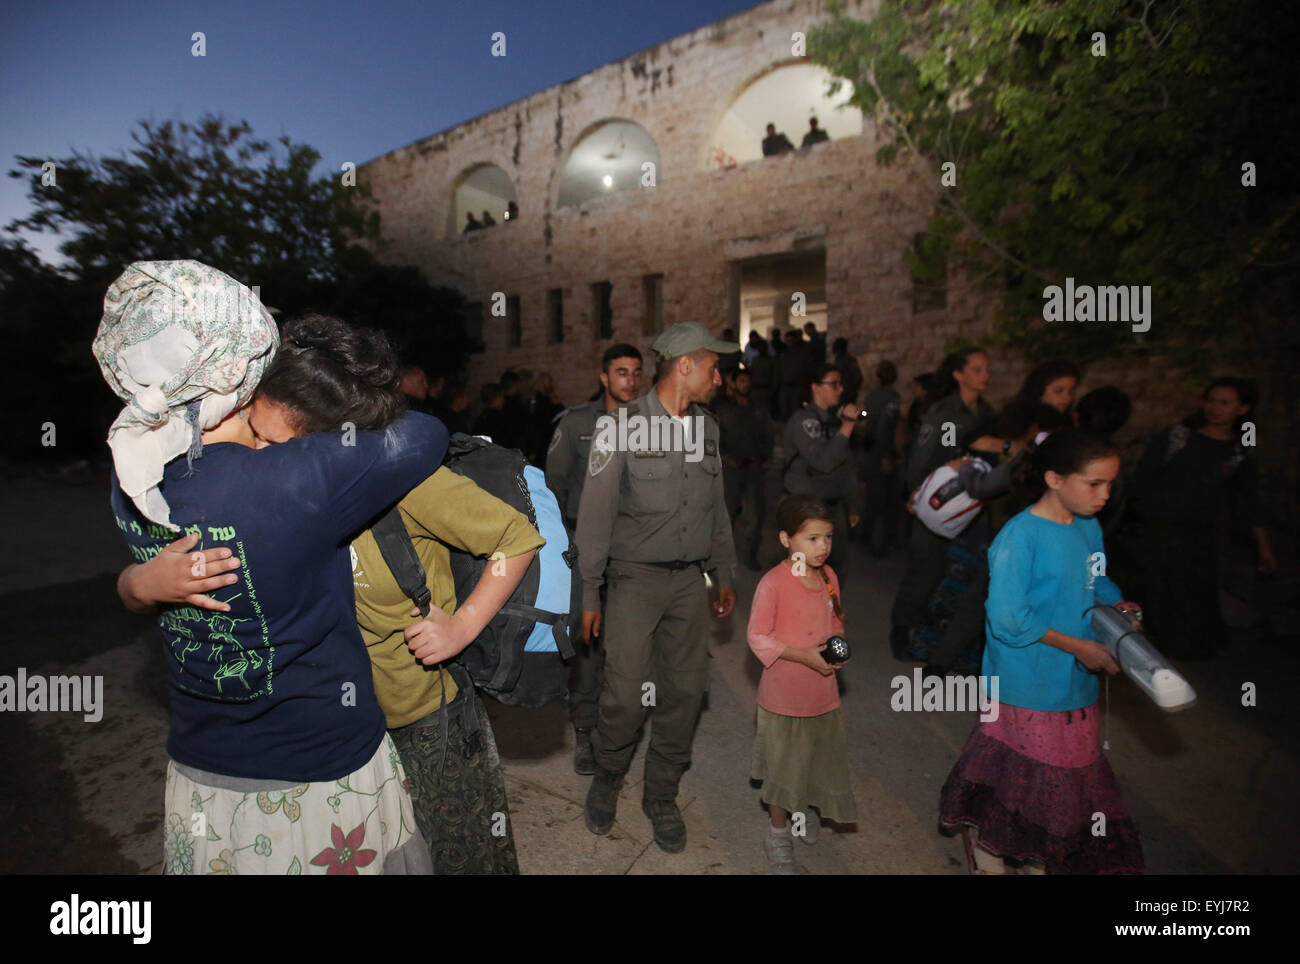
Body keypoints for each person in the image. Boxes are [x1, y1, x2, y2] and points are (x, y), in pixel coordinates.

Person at [120, 312, 543, 875]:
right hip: (361, 730)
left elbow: (515, 537)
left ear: (324, 443)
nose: (260, 454)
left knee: (462, 854)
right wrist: (139, 584)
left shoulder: (397, 484)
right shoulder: (278, 484)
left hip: (422, 716)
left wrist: (462, 628)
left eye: (272, 440)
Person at [100, 262, 445, 875]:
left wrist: (135, 585)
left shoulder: (131, 478)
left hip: (204, 768)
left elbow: (135, 590)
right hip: (317, 769)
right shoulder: (298, 479)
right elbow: (424, 433)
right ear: (239, 371)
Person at [938, 430, 1146, 874]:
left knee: (1060, 788)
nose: (1105, 495)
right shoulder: (1020, 537)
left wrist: (1120, 606)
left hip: (1074, 684)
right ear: (1054, 478)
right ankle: (988, 851)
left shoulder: (1088, 526)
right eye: (1094, 484)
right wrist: (1079, 647)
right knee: (1023, 782)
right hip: (1024, 684)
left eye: (1111, 484)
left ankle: (1035, 857)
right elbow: (1009, 619)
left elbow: (1098, 582)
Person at [576, 321, 738, 853]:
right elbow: (595, 519)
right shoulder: (618, 427)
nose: (720, 376)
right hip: (633, 581)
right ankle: (608, 775)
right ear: (686, 366)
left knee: (686, 693)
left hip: (691, 582)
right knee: (623, 696)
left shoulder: (708, 429)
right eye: (714, 366)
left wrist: (725, 571)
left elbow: (717, 508)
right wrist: (590, 593)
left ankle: (661, 794)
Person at [1125, 377, 1276, 659]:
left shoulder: (1238, 452)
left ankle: (1179, 654)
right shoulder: (1177, 437)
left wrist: (1263, 546)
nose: (1215, 408)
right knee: (1153, 590)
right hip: (1157, 529)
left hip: (1198, 534)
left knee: (1189, 595)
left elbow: (1248, 499)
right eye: (1211, 401)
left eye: (1224, 403)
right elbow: (1143, 480)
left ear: (1242, 409)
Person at [545, 344, 643, 773]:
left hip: (636, 550)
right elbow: (552, 490)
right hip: (586, 549)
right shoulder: (577, 424)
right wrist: (563, 550)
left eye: (637, 372)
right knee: (588, 643)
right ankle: (585, 729)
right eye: (622, 372)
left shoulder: (653, 426)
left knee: (630, 643)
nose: (631, 380)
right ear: (605, 377)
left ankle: (620, 726)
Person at [748, 495, 856, 873]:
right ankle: (778, 833)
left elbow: (836, 624)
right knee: (783, 771)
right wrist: (803, 655)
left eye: (827, 537)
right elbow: (758, 637)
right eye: (811, 538)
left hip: (823, 697)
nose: (823, 547)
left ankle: (799, 814)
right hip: (784, 699)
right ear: (785, 539)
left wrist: (835, 651)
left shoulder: (829, 578)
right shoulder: (774, 583)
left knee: (811, 764)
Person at [890, 348, 994, 658]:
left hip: (972, 505)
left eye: (986, 369)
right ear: (958, 375)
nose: (985, 375)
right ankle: (901, 626)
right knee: (925, 570)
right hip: (937, 501)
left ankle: (943, 636)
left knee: (961, 575)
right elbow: (928, 457)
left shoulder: (987, 414)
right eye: (977, 369)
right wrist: (915, 493)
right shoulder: (946, 414)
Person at [783, 364, 865, 576]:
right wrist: (847, 427)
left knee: (836, 566)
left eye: (841, 384)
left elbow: (847, 466)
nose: (840, 389)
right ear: (816, 387)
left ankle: (829, 608)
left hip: (832, 506)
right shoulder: (804, 420)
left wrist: (854, 505)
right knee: (802, 570)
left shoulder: (835, 420)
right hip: (806, 507)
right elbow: (823, 462)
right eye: (834, 384)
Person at [716, 366, 774, 571]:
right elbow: (714, 441)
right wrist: (728, 459)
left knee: (755, 516)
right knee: (727, 516)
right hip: (732, 471)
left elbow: (768, 437)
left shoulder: (759, 410)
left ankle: (750, 555)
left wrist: (764, 458)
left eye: (747, 381)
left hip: (753, 470)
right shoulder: (723, 411)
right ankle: (721, 559)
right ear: (732, 383)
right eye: (741, 381)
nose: (745, 385)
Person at [858, 360, 903, 554]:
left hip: (870, 451)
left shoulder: (871, 396)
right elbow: (885, 428)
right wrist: (886, 456)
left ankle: (865, 536)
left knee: (872, 499)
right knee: (886, 501)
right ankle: (882, 542)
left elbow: (866, 422)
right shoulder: (893, 399)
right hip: (881, 452)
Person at [831, 337, 863, 404]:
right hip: (841, 394)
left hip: (847, 395)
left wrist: (851, 392)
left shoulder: (849, 360)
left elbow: (858, 377)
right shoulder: (838, 360)